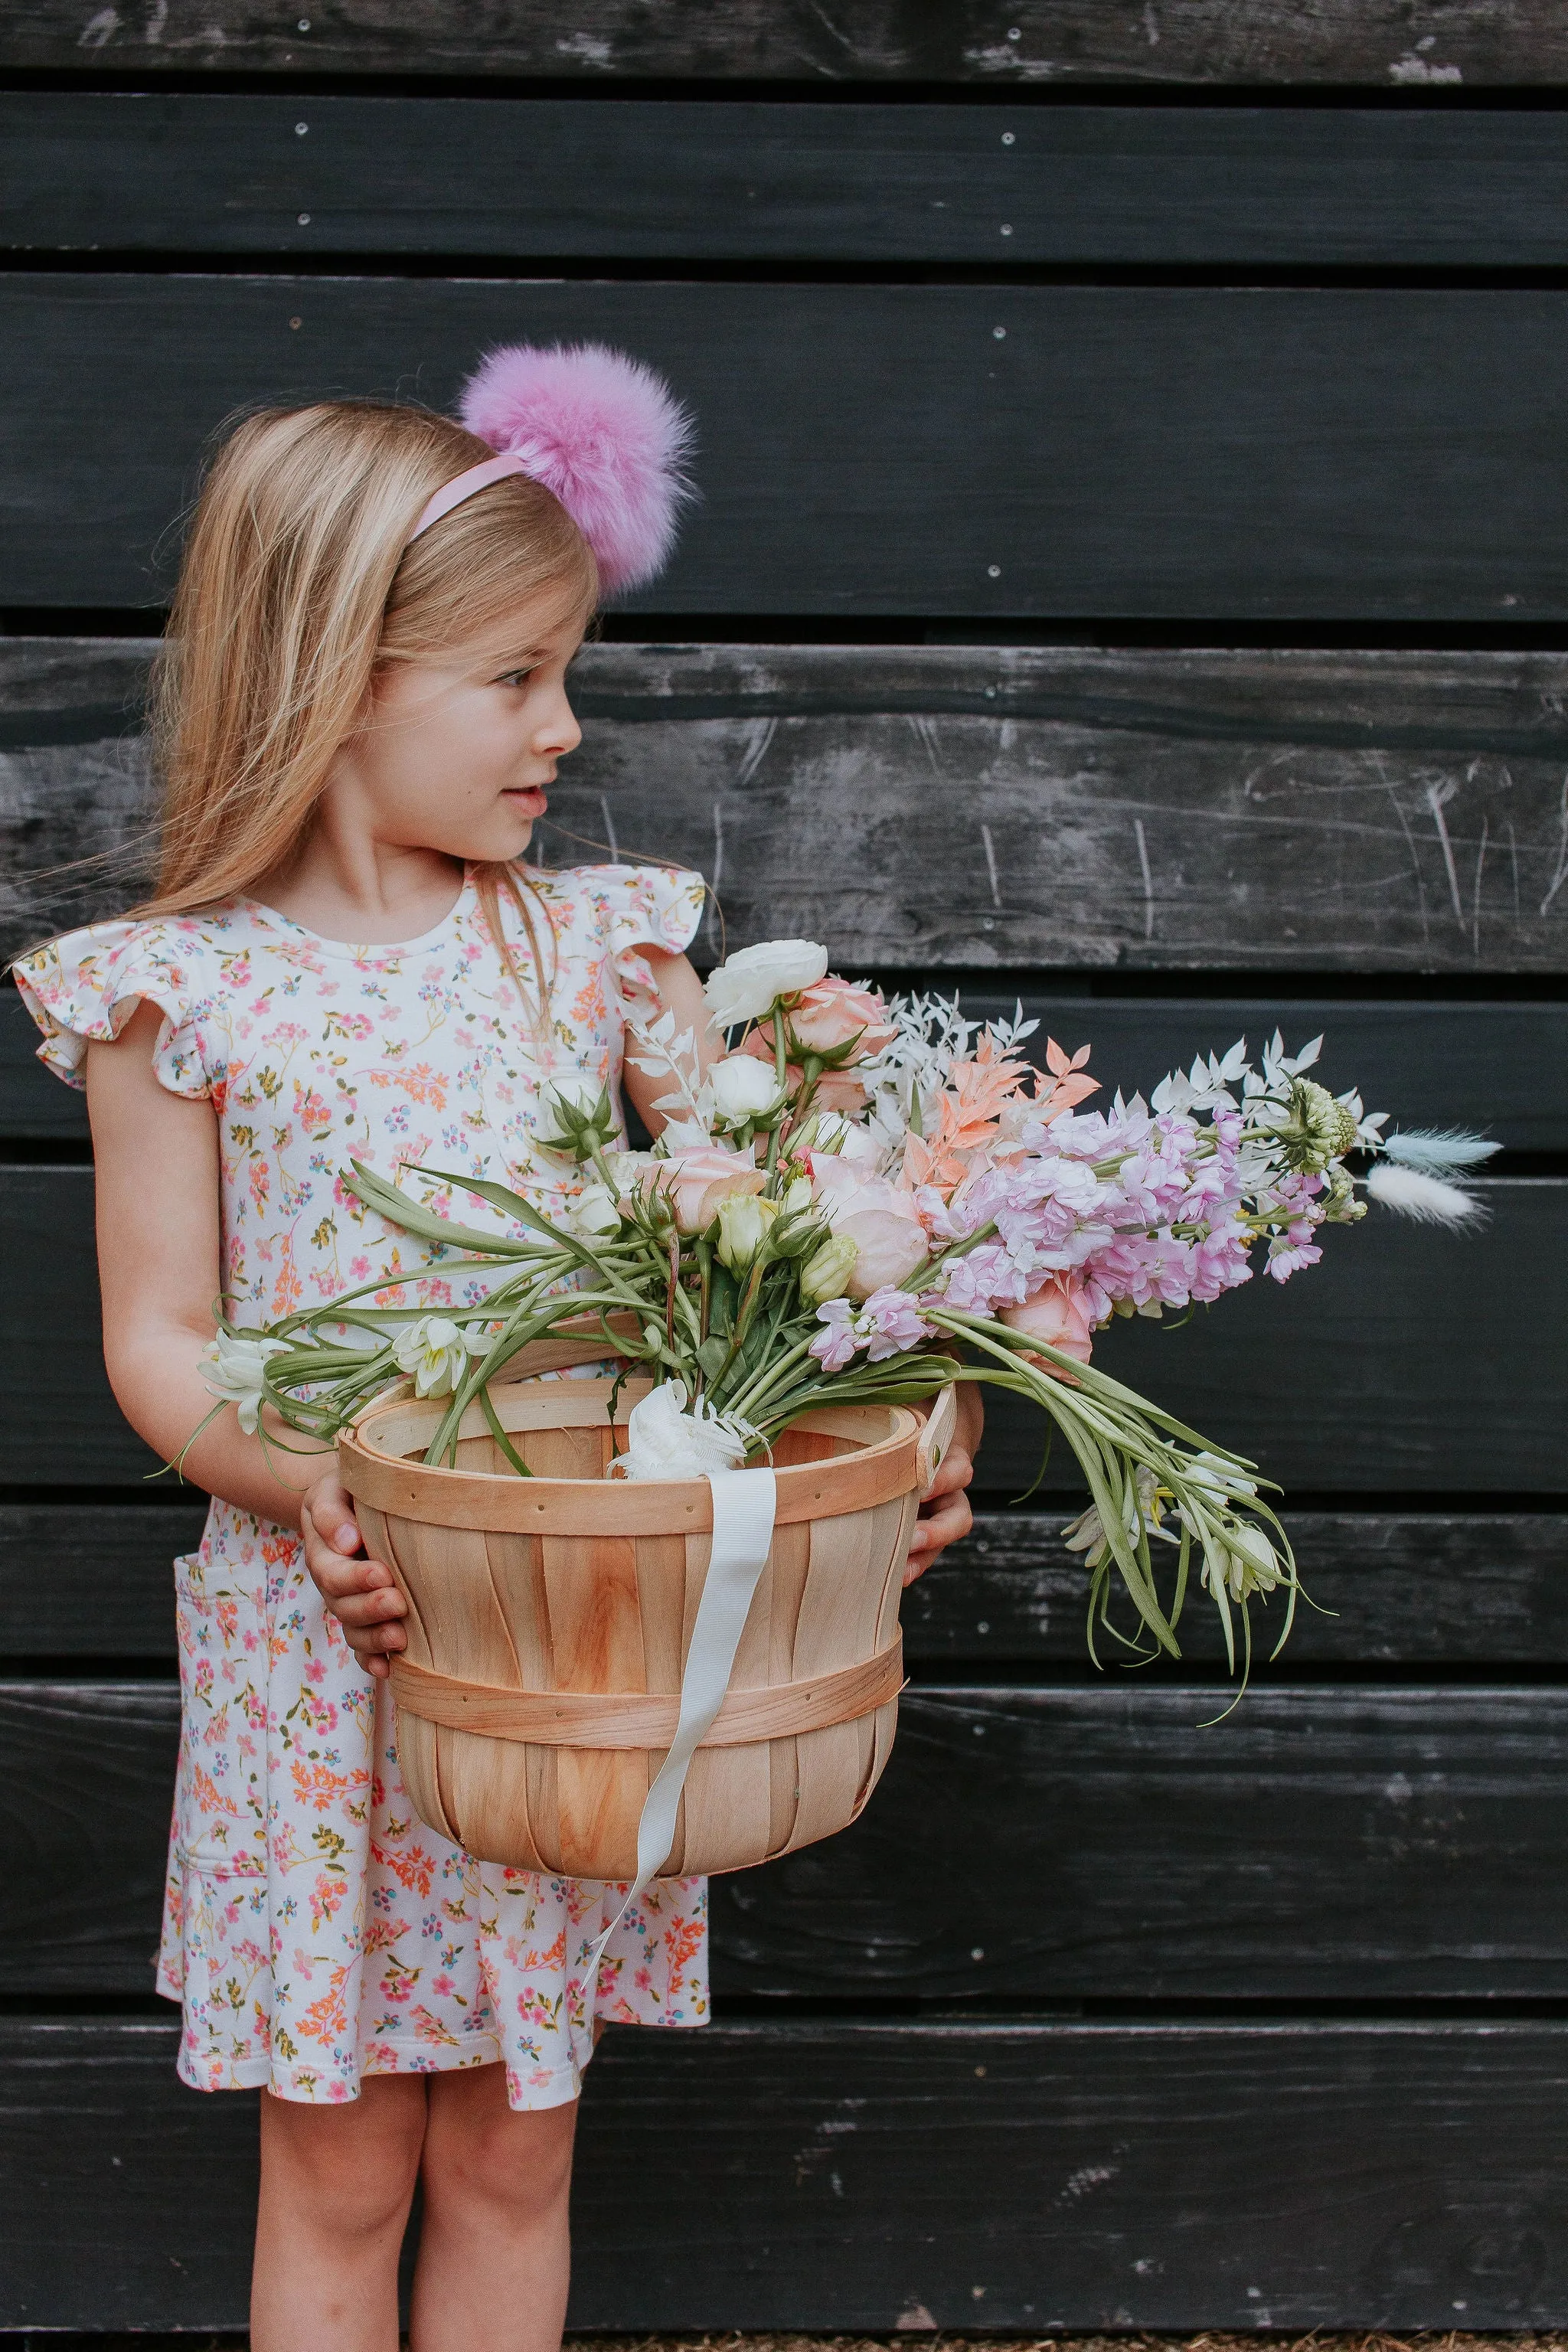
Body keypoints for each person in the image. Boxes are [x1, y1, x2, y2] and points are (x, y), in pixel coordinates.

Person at [12, 350, 982, 2352]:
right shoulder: (169, 993)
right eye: (516, 677)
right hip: (337, 1638)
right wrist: (320, 1489)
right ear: (342, 672)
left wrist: (909, 1419)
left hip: (564, 1642)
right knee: (344, 2159)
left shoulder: (595, 950)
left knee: (520, 2144)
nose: (565, 722)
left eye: (568, 669)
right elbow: (163, 1338)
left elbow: (791, 1244)